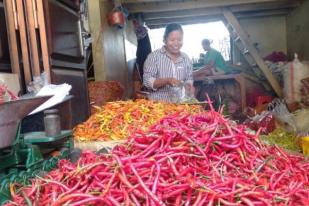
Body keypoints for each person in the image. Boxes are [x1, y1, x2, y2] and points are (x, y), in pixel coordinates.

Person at [143, 23, 194, 102]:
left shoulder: (186, 58)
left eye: (179, 39)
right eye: (172, 40)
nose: (176, 43)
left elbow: (189, 78)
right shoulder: (154, 57)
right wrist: (166, 80)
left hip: (181, 105)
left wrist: (189, 86)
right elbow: (147, 81)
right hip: (158, 105)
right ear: (164, 40)